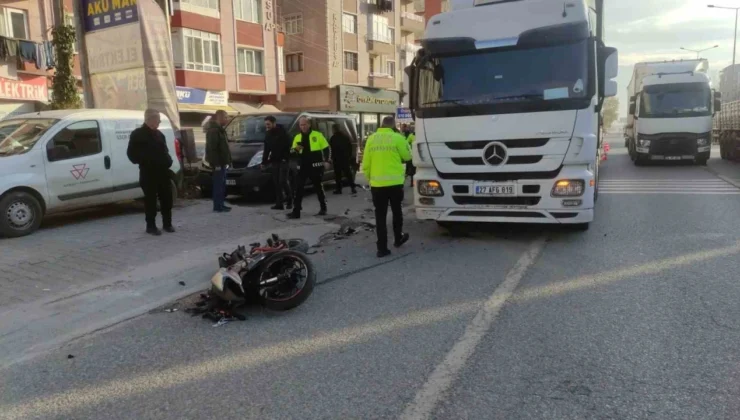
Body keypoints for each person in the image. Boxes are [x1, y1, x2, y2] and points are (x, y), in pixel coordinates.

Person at [362, 116, 412, 258]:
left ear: (381, 125)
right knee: (397, 212)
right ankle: (398, 239)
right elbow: (408, 156)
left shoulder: (371, 139)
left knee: (380, 216)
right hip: (395, 183)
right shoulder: (398, 138)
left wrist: (369, 179)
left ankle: (382, 248)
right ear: (393, 126)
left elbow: (365, 163)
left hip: (377, 185)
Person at [127, 109, 175, 236]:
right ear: (149, 119)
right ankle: (151, 226)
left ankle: (167, 224)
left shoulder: (160, 134)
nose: (159, 122)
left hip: (163, 172)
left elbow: (165, 151)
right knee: (151, 201)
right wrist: (147, 160)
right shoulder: (138, 134)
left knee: (167, 198)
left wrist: (168, 161)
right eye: (157, 119)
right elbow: (131, 155)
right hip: (148, 173)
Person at [288, 116, 330, 219]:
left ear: (309, 124)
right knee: (298, 189)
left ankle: (323, 208)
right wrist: (298, 148)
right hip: (302, 166)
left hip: (315, 166)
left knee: (318, 187)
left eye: (305, 124)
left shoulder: (318, 135)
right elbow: (293, 152)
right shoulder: (297, 137)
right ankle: (296, 211)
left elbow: (326, 149)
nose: (303, 127)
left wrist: (327, 161)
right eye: (301, 125)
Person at [262, 115, 293, 210]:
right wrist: (264, 162)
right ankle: (279, 204)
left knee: (282, 181)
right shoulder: (268, 135)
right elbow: (266, 149)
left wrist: (286, 157)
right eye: (266, 124)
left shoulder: (283, 133)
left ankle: (290, 199)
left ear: (274, 123)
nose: (267, 126)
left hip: (284, 160)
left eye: (268, 124)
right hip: (274, 161)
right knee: (276, 183)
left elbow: (290, 146)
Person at [205, 110, 232, 213]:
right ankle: (217, 206)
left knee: (222, 185)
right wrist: (216, 164)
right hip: (218, 163)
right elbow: (213, 149)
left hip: (222, 162)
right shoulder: (214, 131)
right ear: (219, 117)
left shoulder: (220, 130)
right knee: (218, 185)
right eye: (225, 117)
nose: (227, 119)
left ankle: (221, 204)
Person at [329, 124, 357, 195]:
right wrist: (349, 156)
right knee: (348, 174)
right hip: (345, 159)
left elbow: (331, 149)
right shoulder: (345, 137)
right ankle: (353, 188)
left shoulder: (333, 138)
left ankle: (339, 189)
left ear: (334, 130)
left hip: (336, 159)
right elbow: (350, 147)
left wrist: (331, 158)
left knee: (338, 175)